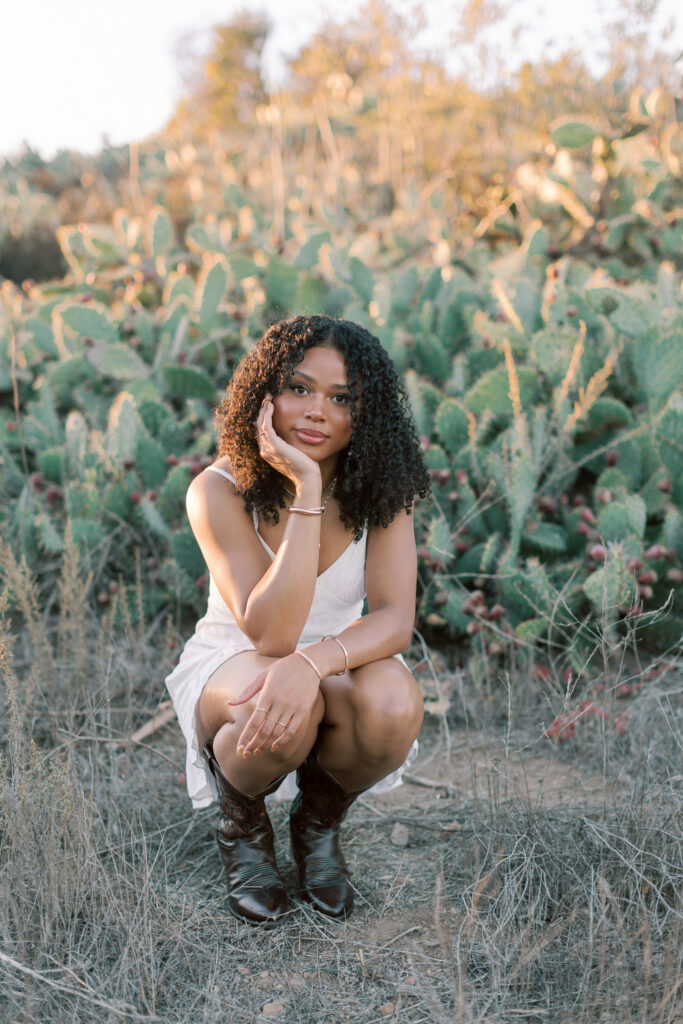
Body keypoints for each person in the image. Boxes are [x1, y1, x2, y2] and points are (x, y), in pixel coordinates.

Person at [165, 314, 430, 924]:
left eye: (341, 398)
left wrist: (312, 665)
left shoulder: (382, 490)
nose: (316, 411)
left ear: (365, 413)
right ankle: (243, 826)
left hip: (333, 659)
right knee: (277, 694)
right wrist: (307, 489)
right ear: (266, 395)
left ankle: (316, 824)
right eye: (299, 388)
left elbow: (395, 619)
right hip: (236, 665)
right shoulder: (219, 490)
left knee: (395, 702)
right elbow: (273, 634)